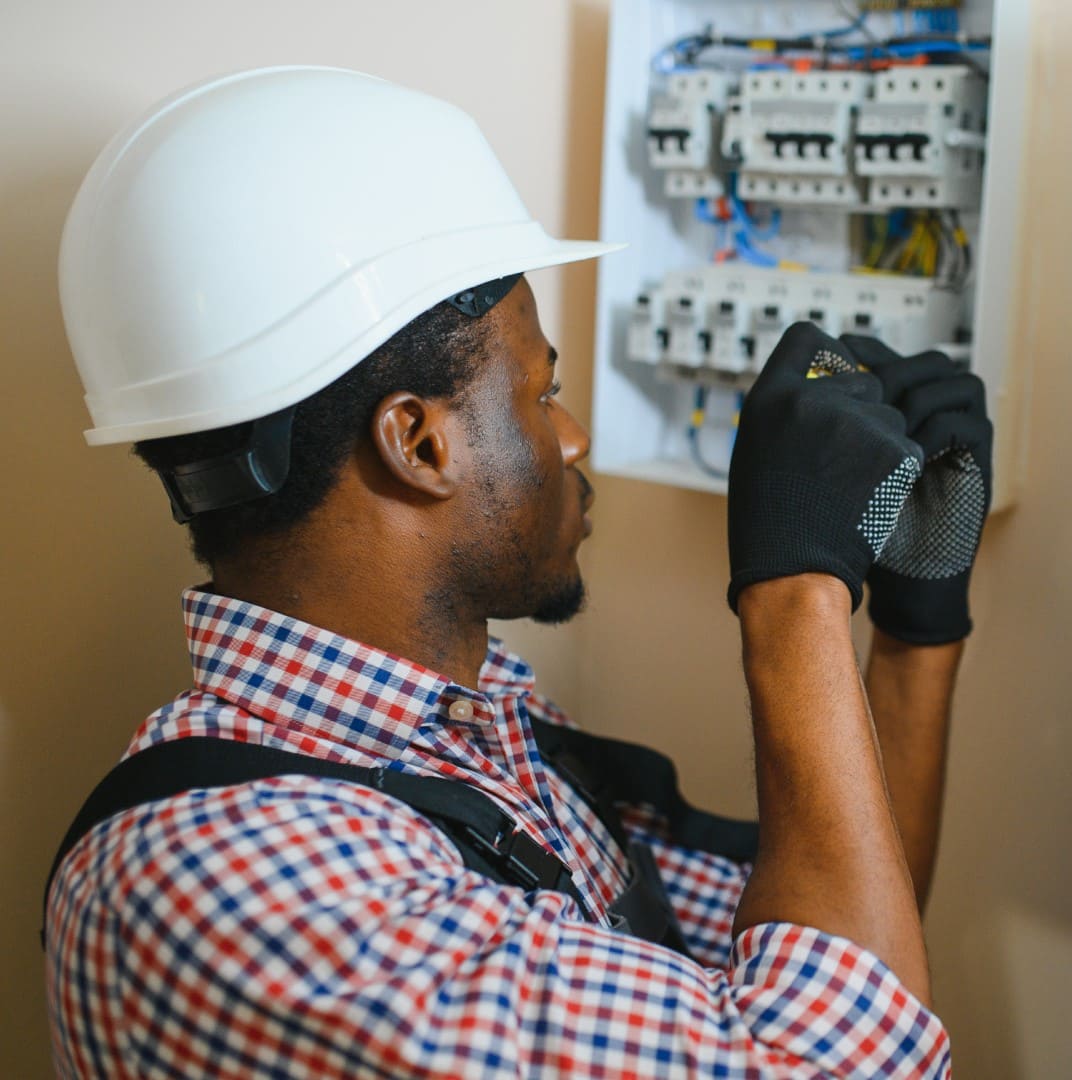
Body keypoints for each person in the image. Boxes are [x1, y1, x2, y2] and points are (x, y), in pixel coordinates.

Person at [45, 67, 992, 1078]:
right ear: (419, 442)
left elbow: (847, 971)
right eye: (544, 394)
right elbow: (850, 1058)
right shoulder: (230, 885)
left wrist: (914, 622)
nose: (574, 437)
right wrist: (794, 591)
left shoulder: (470, 726)